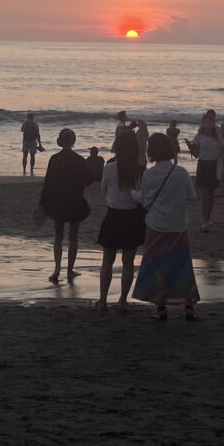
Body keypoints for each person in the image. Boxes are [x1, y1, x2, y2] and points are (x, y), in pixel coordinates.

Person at [132, 132, 199, 321]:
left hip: (156, 225)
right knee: (182, 267)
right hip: (177, 225)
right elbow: (192, 196)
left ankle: (161, 307)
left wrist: (130, 193)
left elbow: (144, 200)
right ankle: (189, 306)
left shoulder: (149, 174)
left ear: (151, 151)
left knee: (158, 267)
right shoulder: (181, 172)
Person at [95, 129, 144, 312]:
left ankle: (103, 300)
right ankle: (123, 299)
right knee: (128, 262)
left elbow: (103, 190)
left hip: (114, 215)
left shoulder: (109, 168)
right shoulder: (138, 169)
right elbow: (140, 193)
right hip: (132, 216)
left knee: (107, 260)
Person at [38, 128, 90, 284]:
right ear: (73, 141)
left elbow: (48, 183)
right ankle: (69, 270)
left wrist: (43, 203)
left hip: (58, 201)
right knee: (73, 236)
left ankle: (57, 268)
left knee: (58, 236)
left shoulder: (54, 159)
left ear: (60, 141)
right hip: (74, 200)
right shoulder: (80, 159)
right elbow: (86, 181)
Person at [186, 109, 224, 232]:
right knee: (204, 196)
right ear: (202, 124)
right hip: (203, 165)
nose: (206, 124)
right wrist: (189, 146)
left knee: (212, 196)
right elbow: (196, 154)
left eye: (208, 122)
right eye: (204, 122)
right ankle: (205, 221)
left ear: (212, 123)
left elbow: (222, 147)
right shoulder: (199, 136)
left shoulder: (217, 135)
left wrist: (218, 133)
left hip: (214, 165)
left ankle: (208, 218)